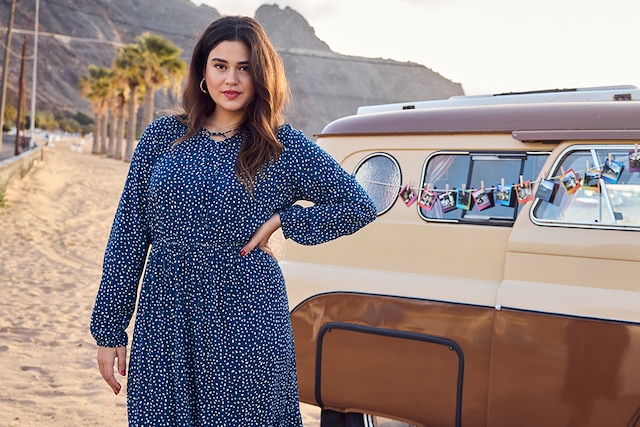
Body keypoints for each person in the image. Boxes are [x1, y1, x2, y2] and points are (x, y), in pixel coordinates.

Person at [90, 16, 377, 427]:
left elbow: (357, 205)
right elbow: (129, 235)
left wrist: (285, 219)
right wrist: (111, 329)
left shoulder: (281, 145)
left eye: (245, 68)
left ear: (262, 76)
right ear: (203, 72)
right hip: (167, 314)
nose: (232, 79)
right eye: (220, 65)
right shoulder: (162, 138)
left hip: (246, 318)